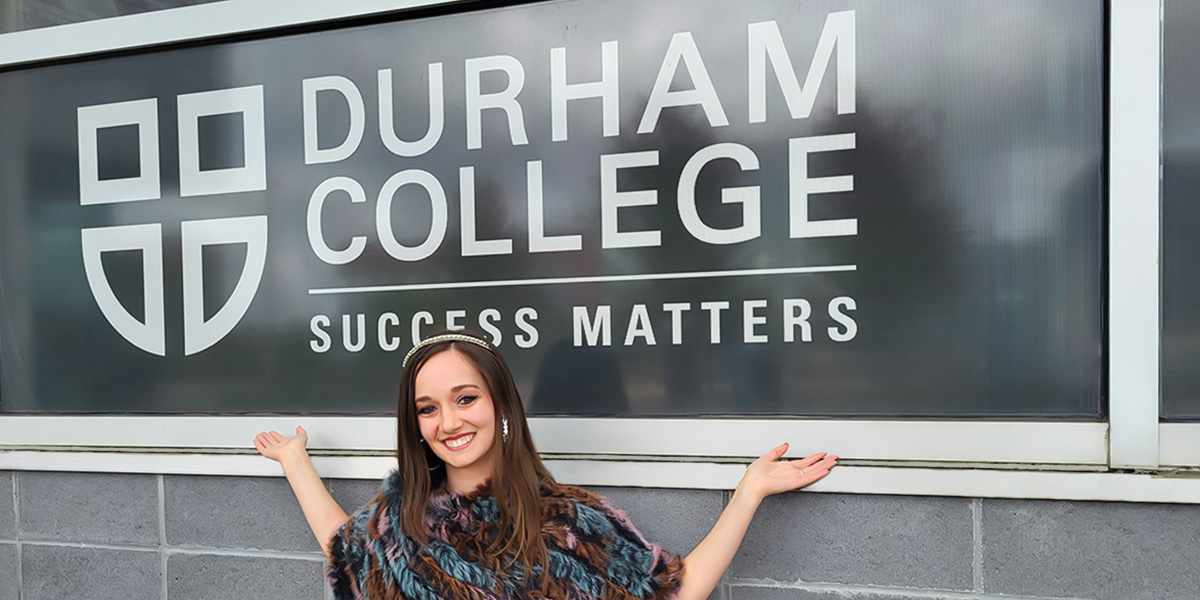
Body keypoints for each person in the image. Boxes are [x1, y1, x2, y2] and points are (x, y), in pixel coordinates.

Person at [255, 330, 837, 600]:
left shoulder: (567, 522)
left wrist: (749, 492)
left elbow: (671, 594)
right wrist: (295, 462)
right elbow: (343, 543)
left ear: (501, 405)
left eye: (465, 399)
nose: (448, 422)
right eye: (427, 409)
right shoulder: (394, 524)